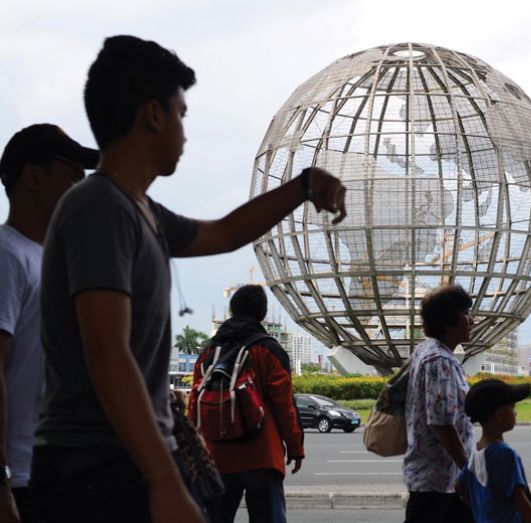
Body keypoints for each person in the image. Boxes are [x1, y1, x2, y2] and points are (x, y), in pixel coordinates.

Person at [29, 35, 346, 523]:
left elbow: (224, 233)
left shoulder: (139, 211)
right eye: (181, 113)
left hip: (117, 460)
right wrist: (163, 480)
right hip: (94, 466)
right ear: (153, 114)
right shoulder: (100, 210)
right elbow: (107, 352)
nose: (184, 131)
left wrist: (304, 187)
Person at [0, 124, 97, 523]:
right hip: (20, 483)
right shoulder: (7, 255)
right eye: (74, 173)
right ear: (34, 177)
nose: (83, 185)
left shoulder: (54, 262)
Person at [192, 285, 304, 523]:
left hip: (217, 457)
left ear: (232, 310)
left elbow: (195, 405)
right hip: (262, 456)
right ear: (262, 314)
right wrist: (296, 449)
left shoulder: (209, 353)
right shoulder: (269, 350)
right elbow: (285, 407)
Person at [403, 284, 475, 523]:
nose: (471, 320)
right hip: (436, 485)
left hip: (443, 482)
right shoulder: (438, 361)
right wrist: (468, 470)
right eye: (466, 313)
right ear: (447, 322)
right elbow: (442, 423)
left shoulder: (427, 352)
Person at [458, 379, 531, 523]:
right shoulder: (504, 454)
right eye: (513, 407)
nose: (516, 413)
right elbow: (521, 502)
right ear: (500, 415)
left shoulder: (476, 451)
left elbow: (459, 485)